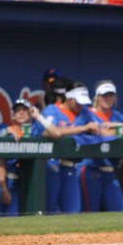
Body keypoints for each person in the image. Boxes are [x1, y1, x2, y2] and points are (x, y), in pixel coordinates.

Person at [76, 81, 123, 212]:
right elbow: (102, 133)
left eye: (111, 95)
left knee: (121, 213)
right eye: (104, 95)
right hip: (90, 169)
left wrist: (117, 124)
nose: (108, 99)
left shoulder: (116, 116)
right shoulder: (87, 113)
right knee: (90, 213)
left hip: (110, 171)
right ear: (97, 97)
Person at [38, 83, 96, 214]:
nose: (80, 105)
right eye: (78, 101)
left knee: (73, 212)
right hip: (51, 166)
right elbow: (49, 132)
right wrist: (82, 128)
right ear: (69, 97)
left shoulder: (84, 113)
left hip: (71, 167)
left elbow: (97, 128)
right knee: (50, 210)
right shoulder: (51, 110)